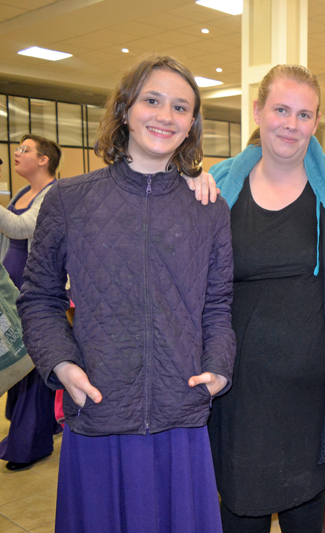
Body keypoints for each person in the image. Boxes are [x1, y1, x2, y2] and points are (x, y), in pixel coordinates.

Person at [17, 54, 235, 532]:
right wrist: (61, 364)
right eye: (152, 100)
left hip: (181, 416)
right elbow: (39, 298)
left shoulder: (209, 210)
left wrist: (219, 365)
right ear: (124, 109)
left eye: (181, 107)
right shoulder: (69, 201)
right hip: (99, 407)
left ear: (192, 124)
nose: (165, 115)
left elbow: (217, 305)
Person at [205, 64, 325, 533]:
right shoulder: (218, 184)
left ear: (317, 122)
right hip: (240, 395)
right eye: (281, 110)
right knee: (240, 514)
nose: (291, 124)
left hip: (316, 397)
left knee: (309, 513)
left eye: (304, 114)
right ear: (258, 111)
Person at [0, 135, 62, 472]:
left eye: (25, 149)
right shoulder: (25, 192)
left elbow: (21, 227)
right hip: (14, 288)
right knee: (20, 365)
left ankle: (30, 443)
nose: (16, 153)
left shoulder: (54, 192)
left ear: (44, 160)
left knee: (33, 365)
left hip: (36, 289)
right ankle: (29, 433)